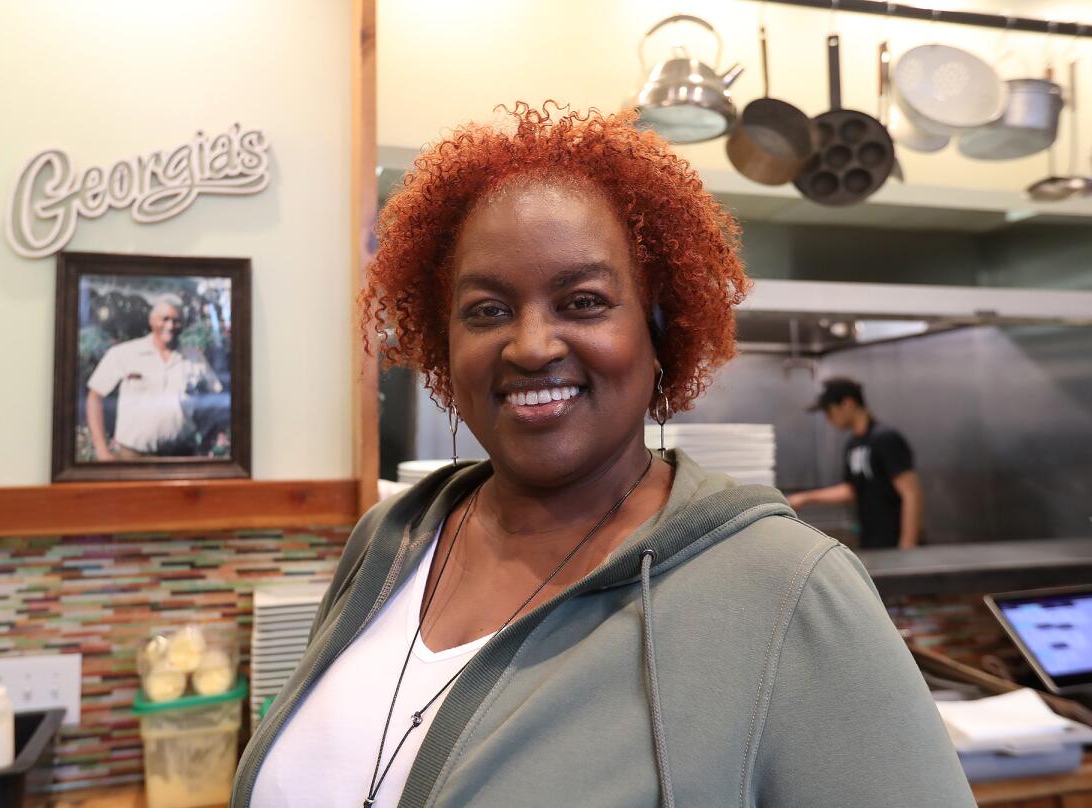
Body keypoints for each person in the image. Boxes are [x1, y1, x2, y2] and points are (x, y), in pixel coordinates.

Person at [232, 103, 973, 808]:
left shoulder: (788, 591)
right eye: (486, 310)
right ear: (441, 342)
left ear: (660, 332)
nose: (530, 345)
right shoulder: (392, 540)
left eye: (583, 301)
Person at [788, 377, 923, 550]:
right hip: (873, 542)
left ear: (848, 403)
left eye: (829, 411)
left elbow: (911, 494)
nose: (828, 419)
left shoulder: (886, 438)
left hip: (895, 544)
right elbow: (852, 490)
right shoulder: (854, 444)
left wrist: (907, 547)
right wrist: (805, 498)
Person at [85, 295, 223, 460]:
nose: (170, 326)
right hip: (133, 455)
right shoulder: (124, 354)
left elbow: (217, 400)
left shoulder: (194, 358)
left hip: (181, 455)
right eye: (164, 319)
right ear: (152, 320)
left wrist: (208, 439)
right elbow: (94, 397)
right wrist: (102, 450)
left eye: (176, 320)